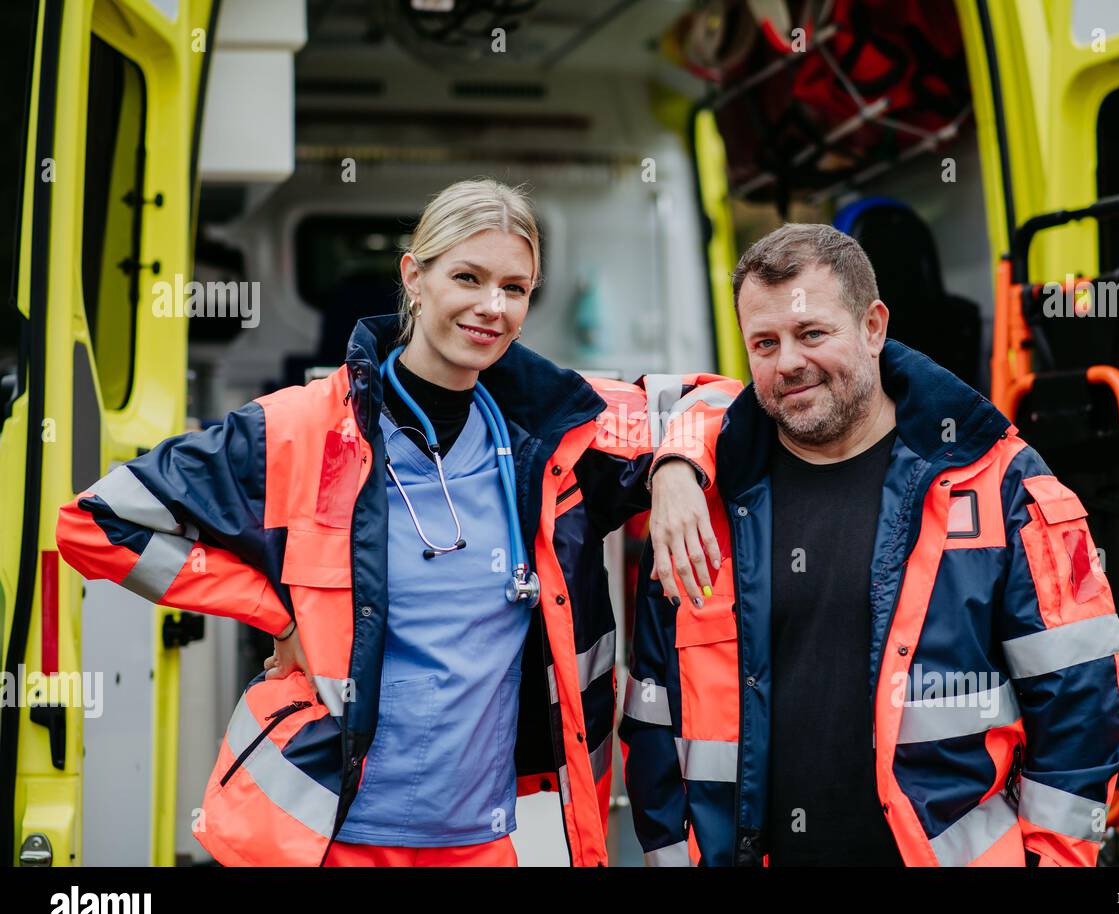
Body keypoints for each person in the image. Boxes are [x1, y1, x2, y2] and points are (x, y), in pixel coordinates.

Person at [56, 178, 712, 867]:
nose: (492, 306)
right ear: (415, 278)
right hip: (328, 840)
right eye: (468, 277)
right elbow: (97, 522)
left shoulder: (556, 429)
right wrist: (275, 614)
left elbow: (715, 402)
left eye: (515, 289)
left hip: (484, 843)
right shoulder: (300, 431)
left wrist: (675, 469)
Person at [624, 222, 1119, 866]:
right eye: (765, 342)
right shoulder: (698, 508)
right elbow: (652, 725)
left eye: (812, 333)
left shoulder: (1005, 487)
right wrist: (674, 458)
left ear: (873, 328)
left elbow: (1083, 704)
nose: (789, 361)